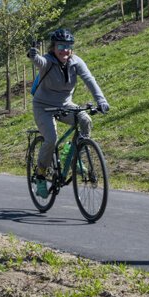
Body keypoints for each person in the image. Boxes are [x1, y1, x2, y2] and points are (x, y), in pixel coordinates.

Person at [27, 28, 110, 198]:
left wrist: (101, 100)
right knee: (51, 138)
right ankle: (41, 174)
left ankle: (71, 155)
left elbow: (89, 79)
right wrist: (33, 55)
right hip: (43, 106)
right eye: (60, 46)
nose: (64, 50)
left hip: (65, 104)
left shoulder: (76, 62)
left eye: (68, 46)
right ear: (53, 47)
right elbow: (39, 61)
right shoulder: (48, 62)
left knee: (85, 120)